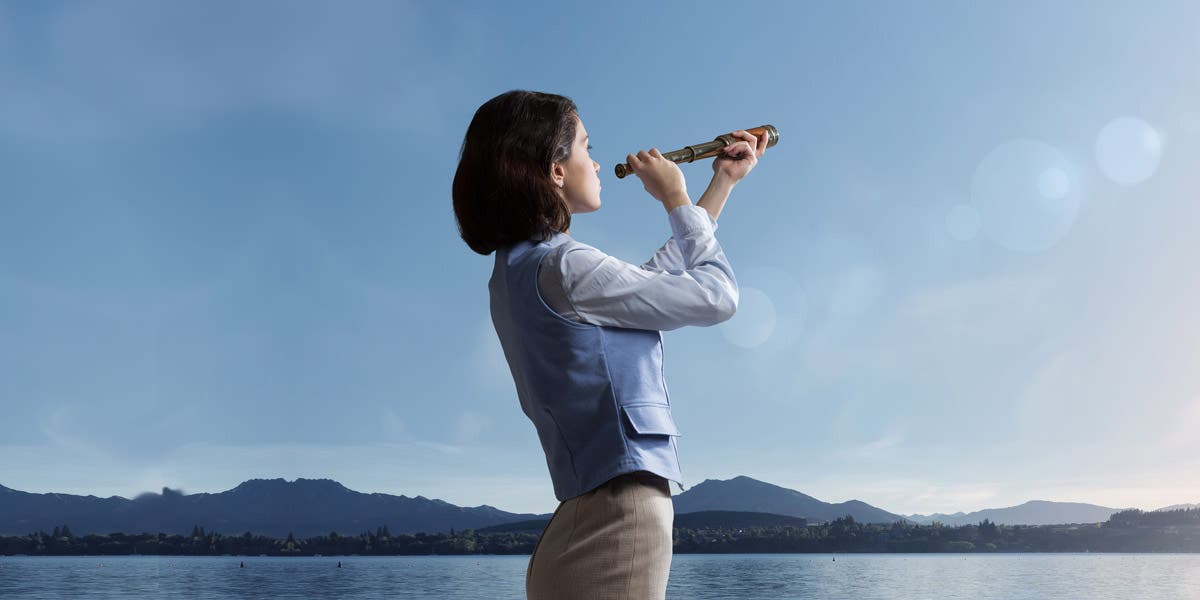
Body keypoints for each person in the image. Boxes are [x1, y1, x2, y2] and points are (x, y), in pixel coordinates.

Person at [453, 90, 767, 599]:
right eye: (585, 147)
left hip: (582, 522)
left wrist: (721, 184)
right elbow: (718, 297)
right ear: (555, 170)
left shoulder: (521, 270)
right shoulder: (564, 266)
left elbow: (644, 284)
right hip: (619, 519)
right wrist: (675, 200)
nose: (596, 163)